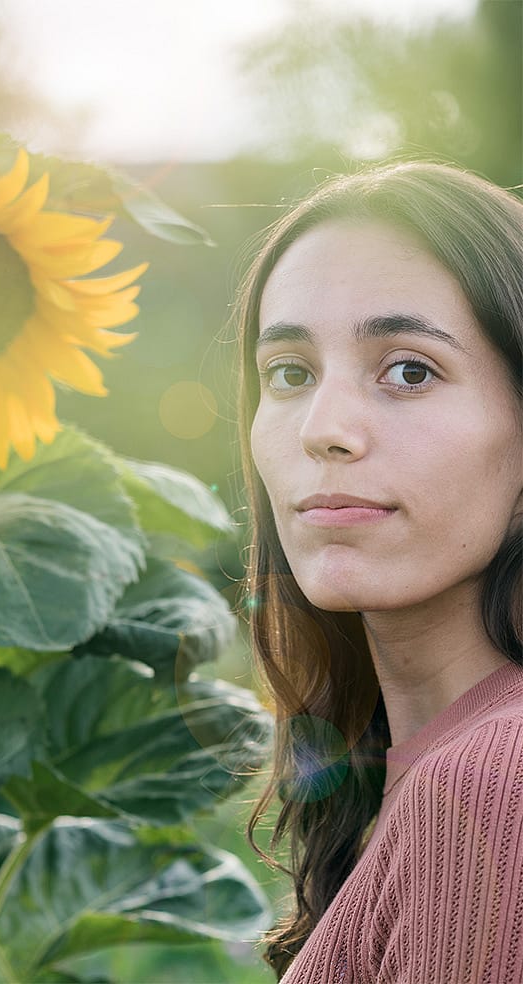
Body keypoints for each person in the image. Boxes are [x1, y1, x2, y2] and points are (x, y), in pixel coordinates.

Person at [234, 161, 523, 982]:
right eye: (289, 373)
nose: (324, 429)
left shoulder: (493, 790)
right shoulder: (419, 772)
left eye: (409, 370)